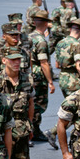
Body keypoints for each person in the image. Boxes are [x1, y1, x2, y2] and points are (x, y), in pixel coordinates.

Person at [0, 47, 32, 159]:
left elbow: (31, 103)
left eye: (18, 59)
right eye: (12, 59)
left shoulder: (26, 79)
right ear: (4, 60)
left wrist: (30, 125)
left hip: (22, 130)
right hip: (3, 131)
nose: (16, 62)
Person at [44, 19, 80, 150]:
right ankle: (52, 131)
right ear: (79, 32)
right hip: (73, 79)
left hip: (63, 77)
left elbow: (57, 64)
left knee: (72, 108)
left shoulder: (60, 43)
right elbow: (79, 65)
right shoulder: (77, 44)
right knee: (78, 109)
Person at [29, 10, 55, 142]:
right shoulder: (41, 42)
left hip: (30, 73)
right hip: (39, 76)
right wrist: (50, 81)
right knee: (39, 104)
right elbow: (44, 62)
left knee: (31, 102)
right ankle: (34, 130)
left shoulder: (29, 36)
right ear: (46, 24)